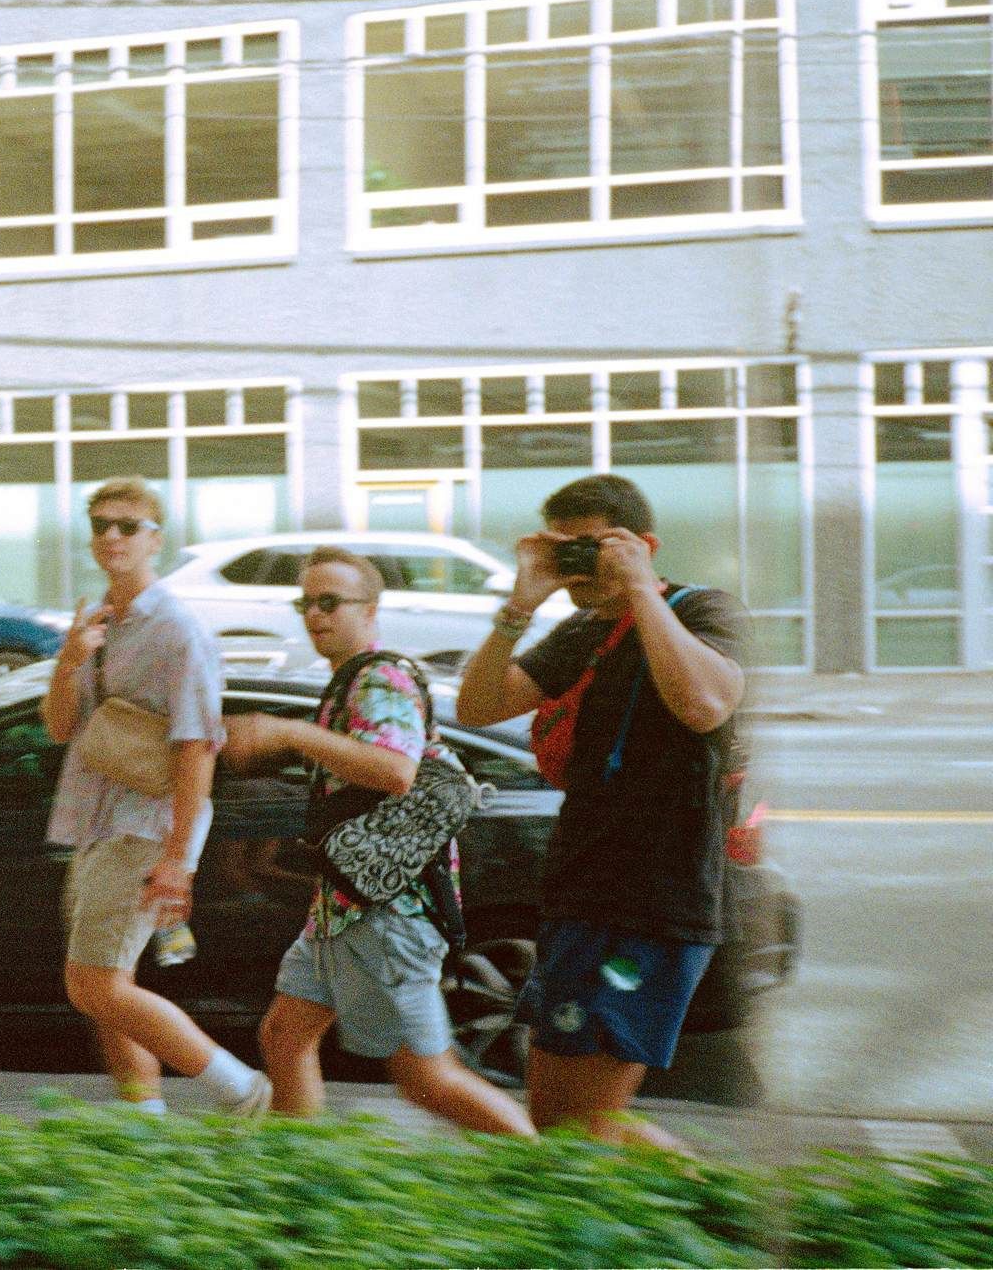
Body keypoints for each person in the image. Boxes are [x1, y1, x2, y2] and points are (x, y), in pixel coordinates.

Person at [454, 474, 748, 1149]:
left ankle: (696, 1218)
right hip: (580, 890)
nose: (578, 567)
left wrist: (642, 591)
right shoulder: (583, 631)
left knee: (593, 1123)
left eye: (590, 548)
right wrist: (519, 607)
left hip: (658, 900)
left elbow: (705, 705)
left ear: (643, 544)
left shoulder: (704, 611)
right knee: (557, 1120)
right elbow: (478, 708)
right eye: (564, 552)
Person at [227, 547, 534, 1135]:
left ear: (370, 610)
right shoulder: (350, 684)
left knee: (426, 1077)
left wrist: (286, 732)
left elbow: (395, 769)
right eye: (305, 603)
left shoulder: (380, 680)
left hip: (389, 912)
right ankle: (301, 1178)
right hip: (343, 908)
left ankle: (551, 1175)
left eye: (329, 602)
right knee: (285, 1035)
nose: (314, 614)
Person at [41, 478, 271, 1116]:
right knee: (106, 987)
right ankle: (143, 1124)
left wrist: (178, 858)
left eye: (127, 525)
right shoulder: (96, 621)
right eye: (100, 525)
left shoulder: (178, 630)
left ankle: (239, 1089)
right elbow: (61, 728)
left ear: (156, 540)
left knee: (95, 981)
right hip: (92, 822)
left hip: (145, 825)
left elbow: (197, 745)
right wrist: (69, 660)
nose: (111, 536)